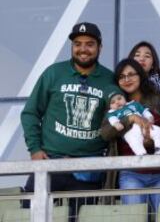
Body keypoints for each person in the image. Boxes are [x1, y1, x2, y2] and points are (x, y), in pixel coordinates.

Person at [20, 22, 115, 221]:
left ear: (100, 47)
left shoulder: (109, 79)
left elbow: (115, 121)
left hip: (88, 169)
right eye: (77, 44)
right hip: (50, 163)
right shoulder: (54, 73)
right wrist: (35, 149)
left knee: (82, 219)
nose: (83, 49)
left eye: (89, 44)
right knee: (28, 214)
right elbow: (30, 113)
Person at [101, 58, 160, 213]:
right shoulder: (115, 106)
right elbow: (105, 133)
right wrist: (130, 118)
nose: (127, 79)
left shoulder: (159, 100)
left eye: (131, 74)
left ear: (141, 76)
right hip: (131, 173)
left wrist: (152, 142)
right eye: (122, 77)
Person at [105, 86, 160, 155]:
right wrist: (116, 124)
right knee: (134, 141)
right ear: (110, 106)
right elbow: (113, 120)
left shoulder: (134, 104)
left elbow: (144, 111)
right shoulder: (112, 112)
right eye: (113, 102)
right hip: (130, 130)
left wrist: (150, 117)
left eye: (119, 98)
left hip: (145, 126)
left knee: (158, 131)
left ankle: (159, 148)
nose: (117, 102)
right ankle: (142, 154)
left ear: (124, 98)